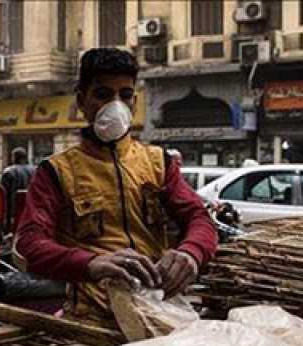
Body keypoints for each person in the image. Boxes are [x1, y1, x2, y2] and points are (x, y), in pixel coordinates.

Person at [15, 48, 217, 328]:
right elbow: (30, 244)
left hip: (159, 313)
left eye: (125, 95)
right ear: (81, 100)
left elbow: (199, 218)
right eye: (103, 94)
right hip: (91, 319)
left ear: (134, 102)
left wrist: (190, 253)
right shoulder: (56, 172)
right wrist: (90, 264)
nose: (116, 105)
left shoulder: (158, 162)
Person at [0, 147, 35, 230]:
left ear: (14, 158)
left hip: (14, 215)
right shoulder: (35, 171)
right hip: (32, 214)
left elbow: (2, 195)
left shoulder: (8, 172)